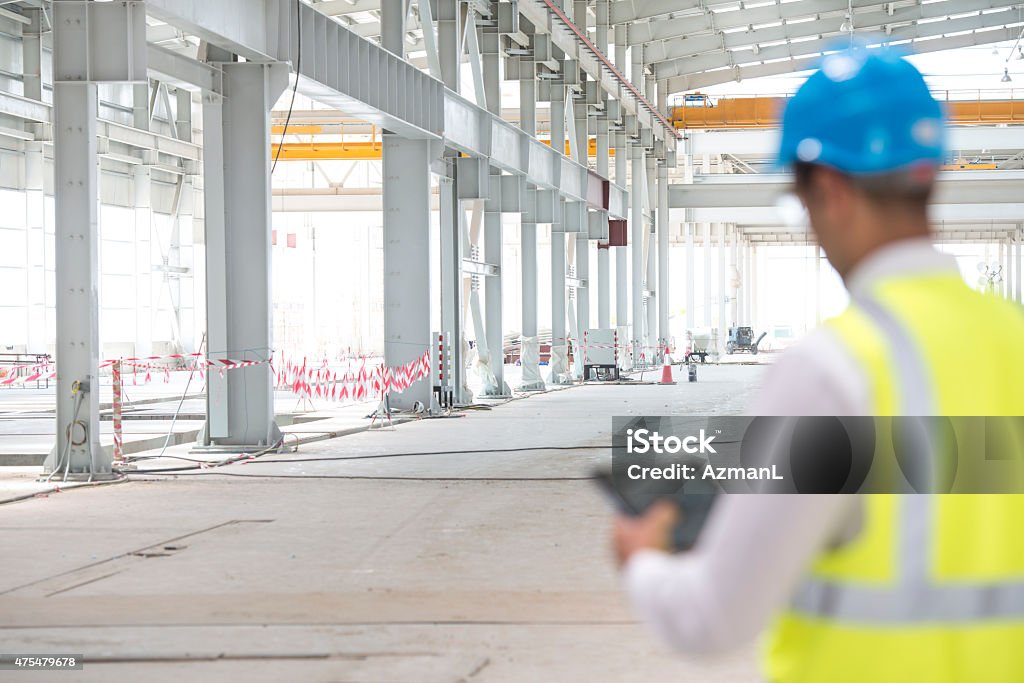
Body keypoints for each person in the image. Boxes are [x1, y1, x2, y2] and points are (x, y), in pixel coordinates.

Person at [613, 45, 1024, 682]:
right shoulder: (1012, 339)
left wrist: (641, 557)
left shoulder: (834, 370)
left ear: (828, 188)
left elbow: (713, 616)